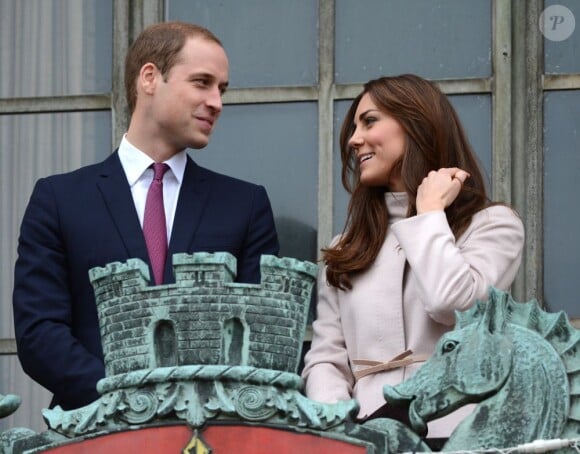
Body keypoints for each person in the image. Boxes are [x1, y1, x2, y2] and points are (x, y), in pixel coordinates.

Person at [13, 21, 279, 411]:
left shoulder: (245, 204)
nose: (217, 103)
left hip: (214, 433)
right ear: (150, 78)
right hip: (94, 429)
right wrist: (127, 399)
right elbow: (40, 333)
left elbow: (259, 334)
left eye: (221, 90)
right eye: (202, 82)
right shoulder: (59, 199)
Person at [301, 74, 524, 437]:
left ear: (415, 124)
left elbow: (451, 305)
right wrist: (340, 427)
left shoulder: (492, 225)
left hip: (454, 434)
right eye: (354, 127)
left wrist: (429, 213)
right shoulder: (346, 247)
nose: (354, 139)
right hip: (364, 435)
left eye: (369, 121)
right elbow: (326, 359)